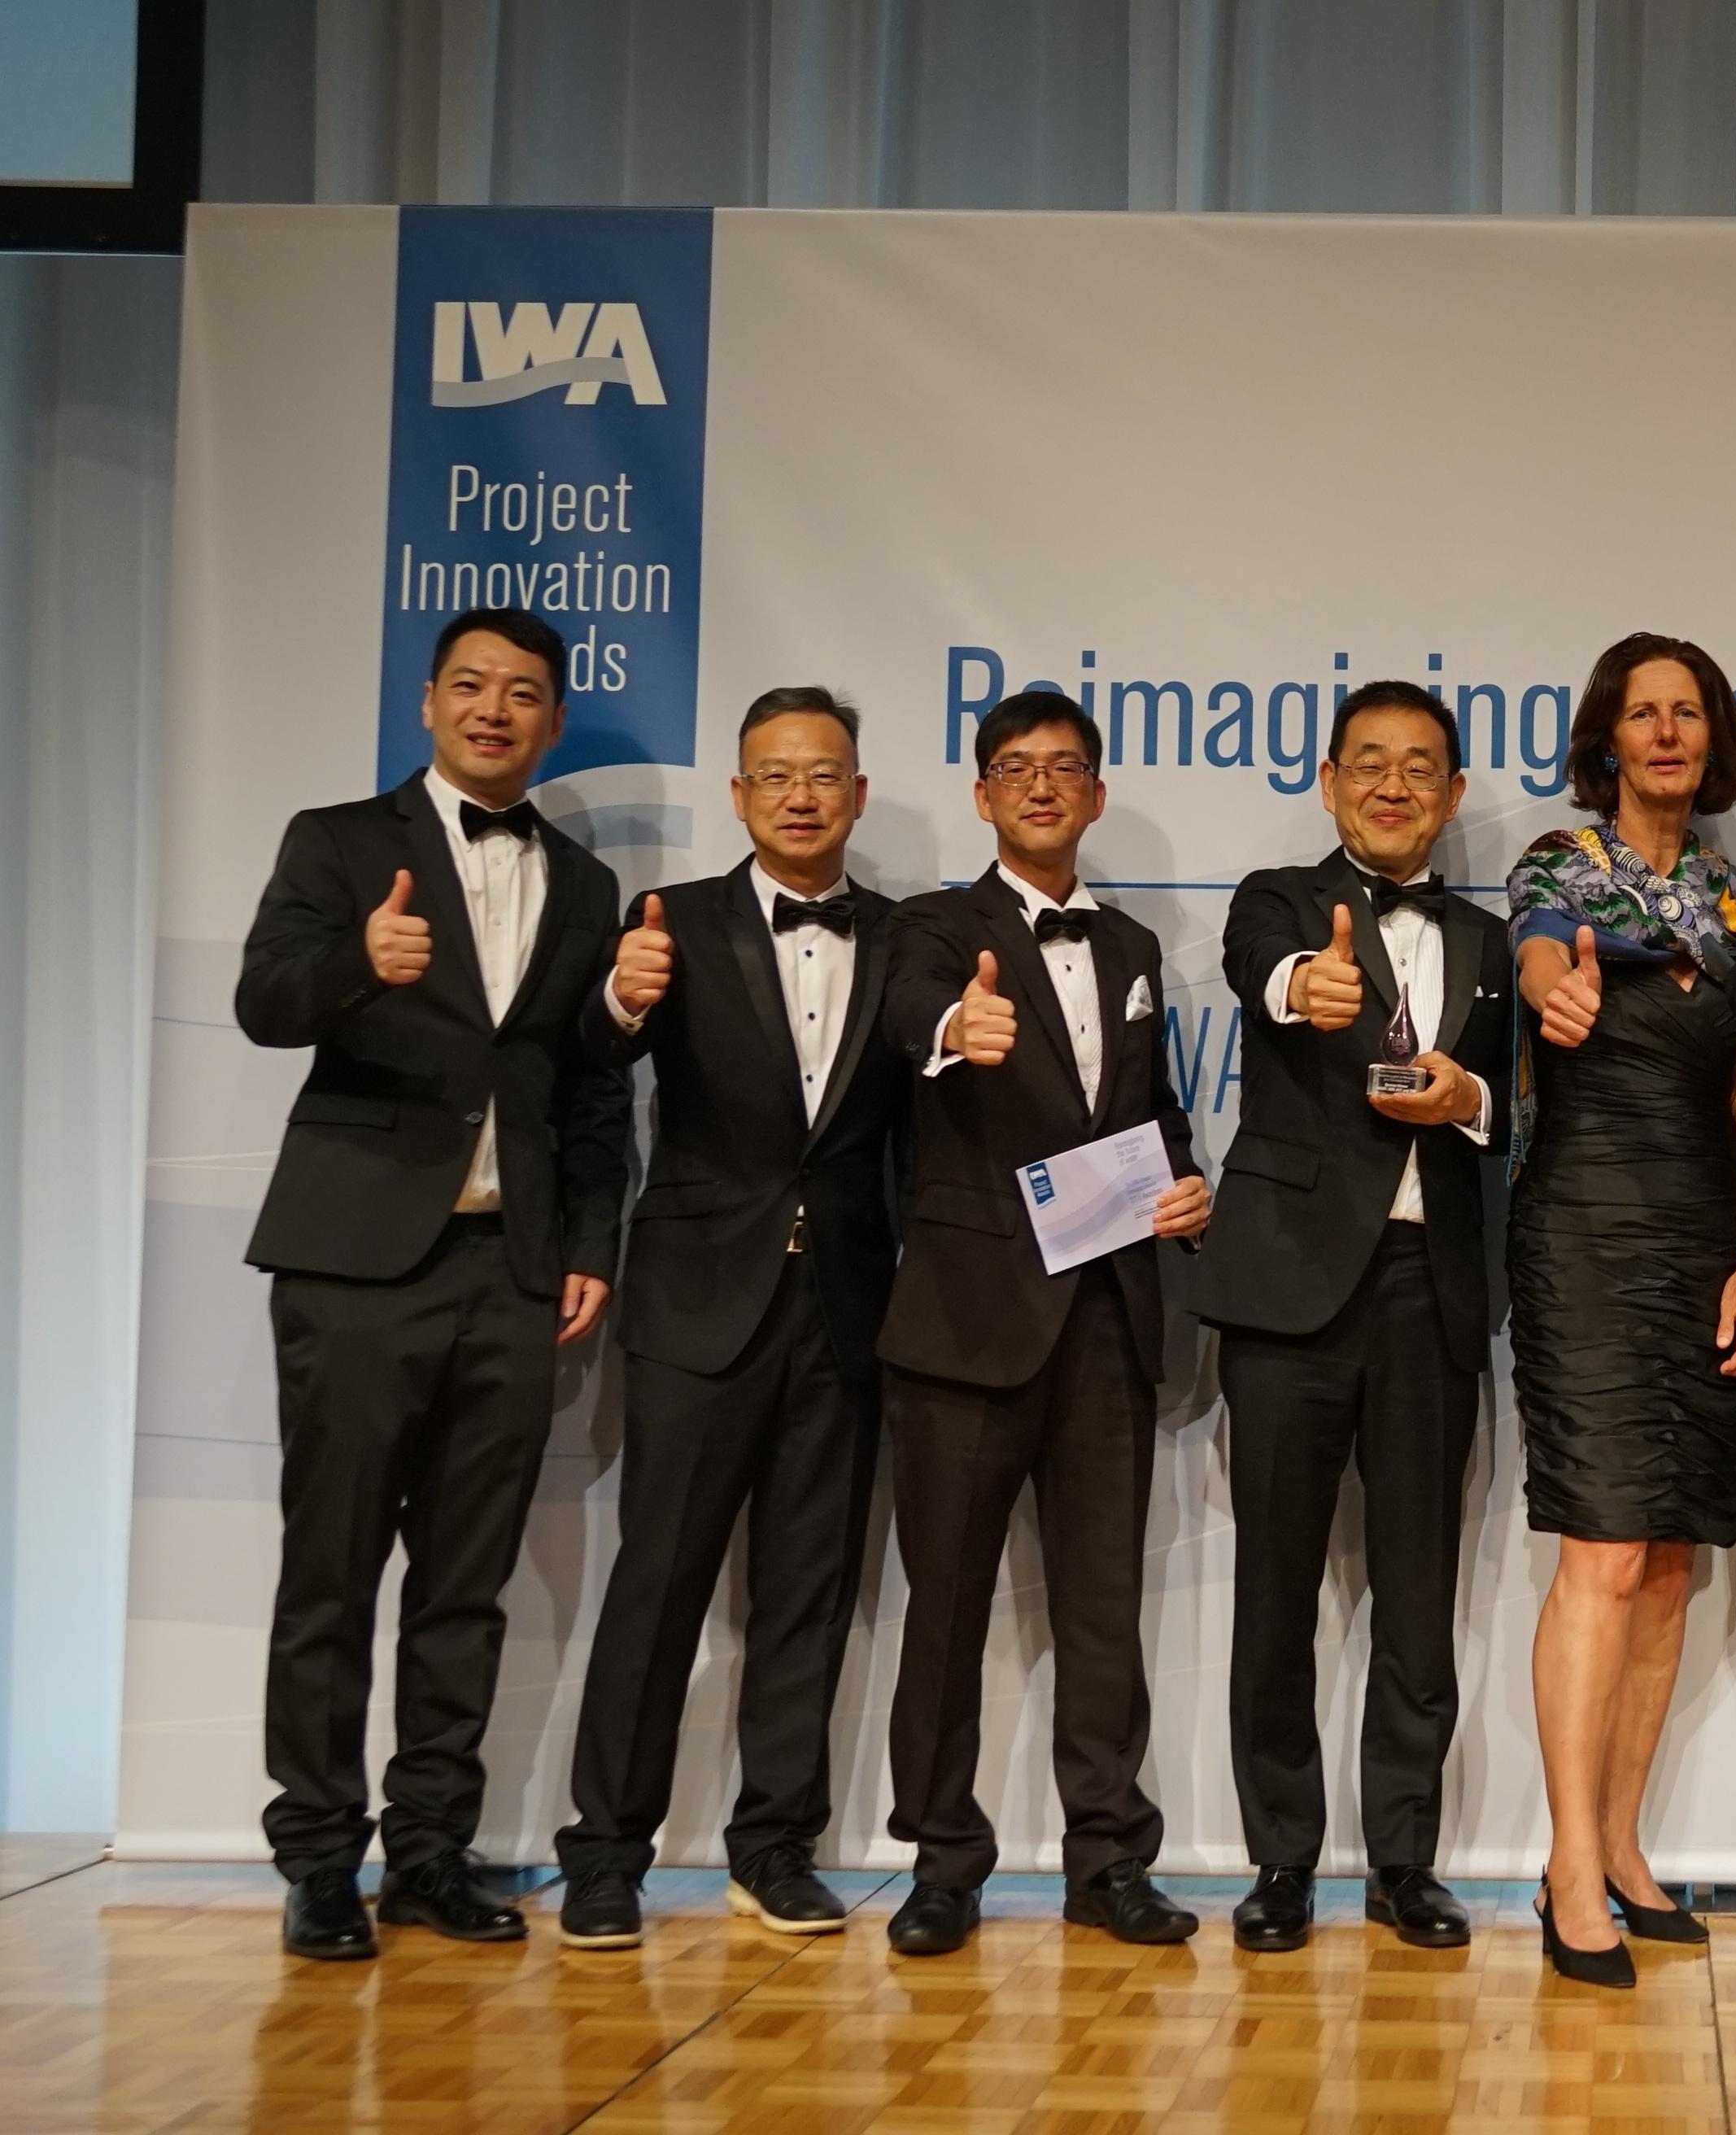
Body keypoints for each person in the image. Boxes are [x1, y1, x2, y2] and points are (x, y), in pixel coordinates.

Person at [234, 606, 630, 1960]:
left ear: (554, 719)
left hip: (510, 1276)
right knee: (332, 1572)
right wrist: (360, 964)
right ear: (428, 704)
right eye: (471, 686)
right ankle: (315, 1860)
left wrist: (588, 1245)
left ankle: (432, 1855)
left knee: (467, 1583)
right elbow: (264, 1000)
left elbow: (590, 1087)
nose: (495, 709)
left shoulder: (582, 886)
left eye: (524, 693)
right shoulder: (338, 843)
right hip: (353, 1264)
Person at [550, 687, 912, 1950]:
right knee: (656, 1584)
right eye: (776, 775)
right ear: (742, 796)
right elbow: (585, 1070)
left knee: (808, 1594)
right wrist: (619, 1005)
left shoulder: (909, 936)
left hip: (848, 1307)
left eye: (825, 774)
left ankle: (775, 1849)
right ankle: (605, 1857)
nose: (802, 794)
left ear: (858, 794)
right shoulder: (673, 924)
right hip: (698, 1300)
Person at [870, 688, 1214, 1958]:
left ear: (1098, 791)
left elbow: (1150, 1109)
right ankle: (944, 1864)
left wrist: (1186, 1184)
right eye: (1016, 769)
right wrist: (956, 1026)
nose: (1042, 788)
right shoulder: (930, 926)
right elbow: (906, 1014)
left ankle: (1109, 1856)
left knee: (1101, 1609)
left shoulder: (1127, 949)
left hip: (1109, 1319)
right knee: (947, 1606)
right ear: (982, 794)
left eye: (1066, 768)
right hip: (964, 1322)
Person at [1189, 680, 1516, 1954]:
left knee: (1419, 1595)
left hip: (1429, 1300)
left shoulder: (1490, 945)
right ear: (1329, 781)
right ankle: (1280, 1862)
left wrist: (1469, 1099)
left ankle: (1406, 1862)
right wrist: (1302, 991)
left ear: (1454, 792)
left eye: (1420, 766)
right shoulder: (1278, 899)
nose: (1393, 785)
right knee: (1274, 1591)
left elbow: (1512, 1104)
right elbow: (1263, 976)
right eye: (1369, 763)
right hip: (1286, 1295)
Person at [1506, 632, 1736, 1988]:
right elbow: (1544, 960)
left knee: (1674, 1557)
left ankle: (1622, 1847)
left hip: (1706, 1245)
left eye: (1688, 713)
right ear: (1607, 736)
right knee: (1604, 1554)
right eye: (1642, 713)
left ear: (1712, 737)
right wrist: (1551, 989)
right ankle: (1565, 1865)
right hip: (1583, 1232)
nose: (1667, 733)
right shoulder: (1560, 866)